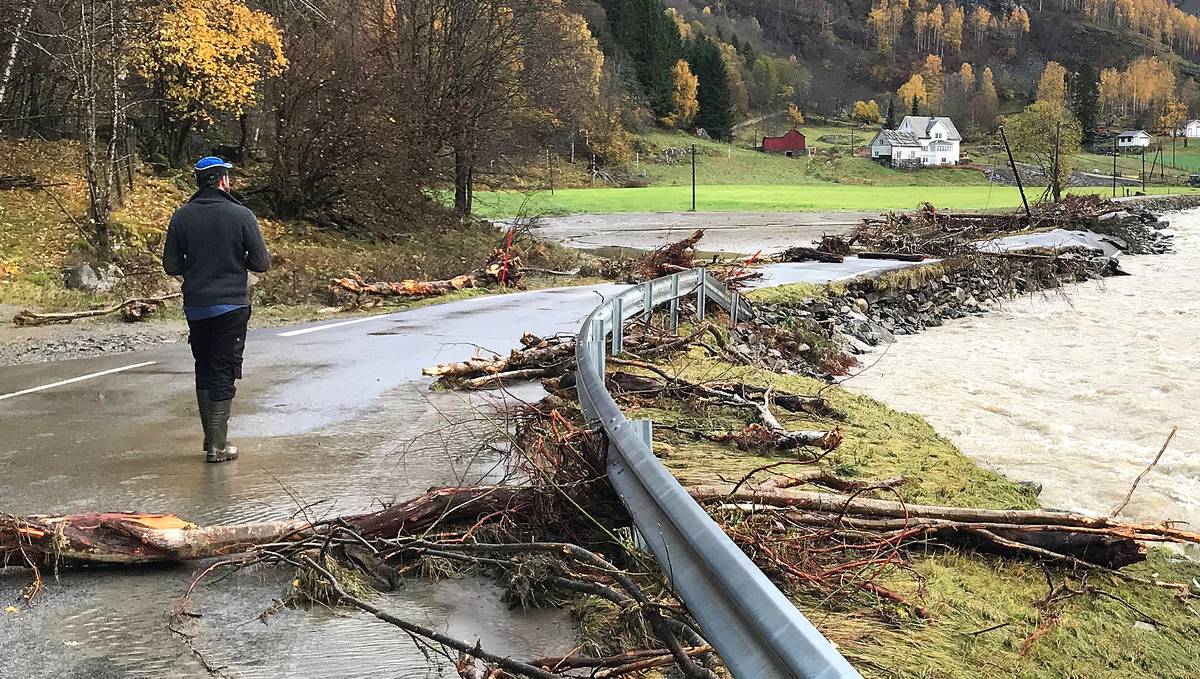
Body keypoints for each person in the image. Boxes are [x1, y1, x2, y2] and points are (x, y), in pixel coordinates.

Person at [163, 156, 271, 463]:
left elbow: (171, 265)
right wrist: (238, 260)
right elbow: (262, 263)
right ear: (222, 180)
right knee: (224, 369)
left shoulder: (181, 216)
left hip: (196, 305)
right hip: (231, 304)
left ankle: (211, 440)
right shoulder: (241, 215)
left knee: (204, 367)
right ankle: (217, 446)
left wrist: (194, 266)